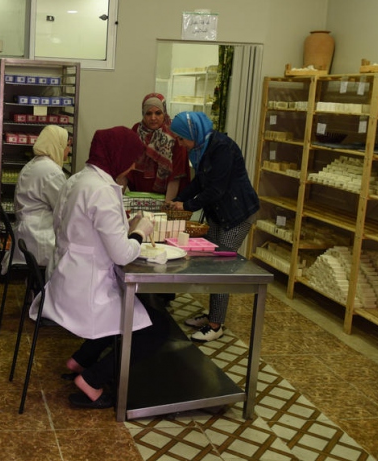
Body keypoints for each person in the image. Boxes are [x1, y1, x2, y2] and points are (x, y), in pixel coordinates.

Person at [30, 126, 169, 409]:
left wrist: (120, 229)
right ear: (118, 155)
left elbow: (69, 227)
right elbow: (122, 255)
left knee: (127, 312)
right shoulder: (102, 190)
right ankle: (92, 380)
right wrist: (139, 232)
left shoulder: (78, 179)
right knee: (157, 329)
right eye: (132, 158)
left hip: (66, 280)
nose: (133, 165)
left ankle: (80, 360)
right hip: (86, 292)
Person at [165, 111, 260, 342]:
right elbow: (200, 181)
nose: (180, 143)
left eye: (181, 138)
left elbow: (216, 189)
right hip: (219, 213)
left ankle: (216, 325)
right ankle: (213, 314)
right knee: (214, 264)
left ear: (191, 133)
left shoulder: (222, 148)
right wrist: (177, 200)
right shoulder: (201, 148)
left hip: (237, 214)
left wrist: (185, 204)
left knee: (222, 267)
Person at [11, 125, 70, 268]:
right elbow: (63, 208)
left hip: (29, 233)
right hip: (39, 238)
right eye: (67, 145)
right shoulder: (51, 172)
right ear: (57, 145)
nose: (68, 150)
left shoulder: (35, 164)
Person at [118, 93, 189, 201]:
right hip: (138, 197)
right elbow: (126, 169)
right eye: (148, 113)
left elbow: (176, 175)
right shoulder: (136, 131)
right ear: (143, 114)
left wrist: (167, 206)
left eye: (158, 113)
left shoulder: (174, 135)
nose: (153, 118)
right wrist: (116, 199)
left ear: (164, 113)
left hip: (167, 196)